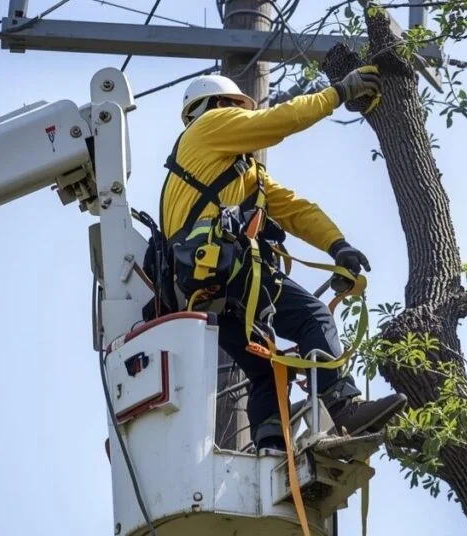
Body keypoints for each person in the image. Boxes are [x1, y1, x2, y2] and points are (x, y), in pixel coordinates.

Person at [158, 67, 407, 452]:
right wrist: (339, 92)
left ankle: (271, 447)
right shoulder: (208, 128)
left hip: (206, 289)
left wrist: (336, 245)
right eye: (232, 107)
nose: (237, 115)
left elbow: (293, 209)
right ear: (214, 107)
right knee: (313, 317)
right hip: (228, 272)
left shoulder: (239, 172)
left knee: (267, 369)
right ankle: (344, 406)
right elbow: (280, 121)